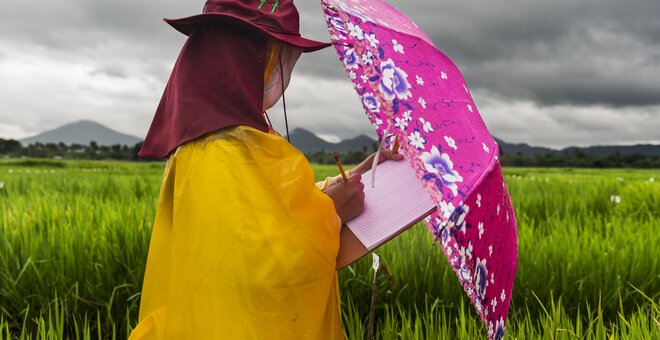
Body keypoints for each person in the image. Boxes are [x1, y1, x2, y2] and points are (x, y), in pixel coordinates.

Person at [130, 1, 401, 338]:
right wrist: (332, 212)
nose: (285, 73)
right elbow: (267, 267)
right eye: (283, 57)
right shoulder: (218, 153)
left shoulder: (234, 140)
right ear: (248, 58)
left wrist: (356, 175)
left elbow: (273, 212)